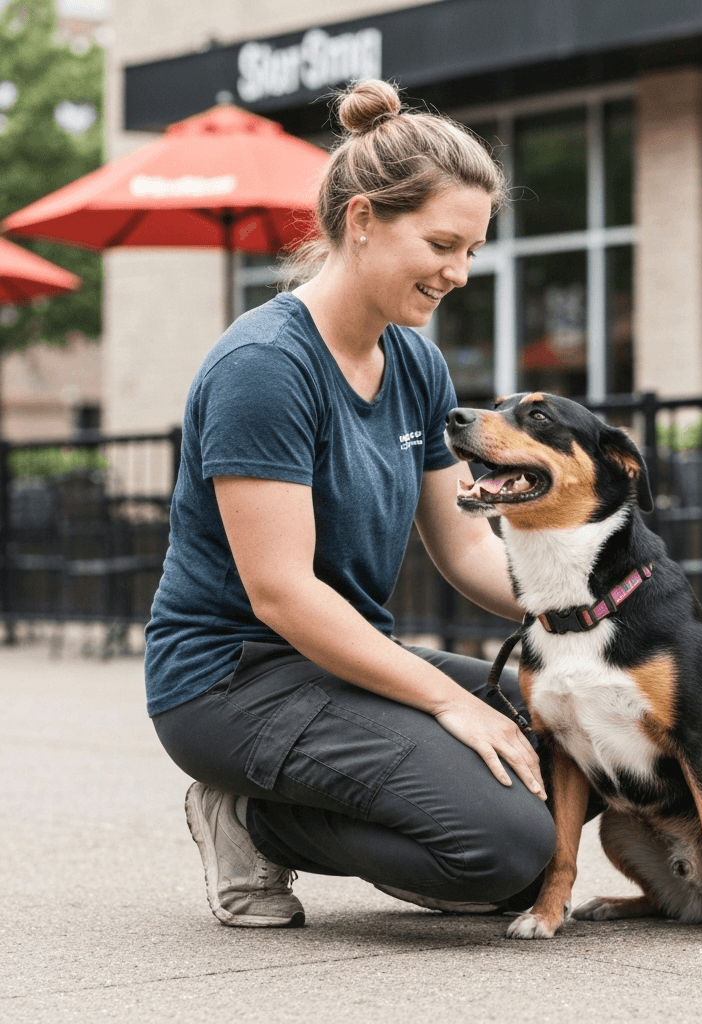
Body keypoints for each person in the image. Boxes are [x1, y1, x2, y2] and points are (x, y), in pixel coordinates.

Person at [145, 79, 555, 928]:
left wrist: (598, 607)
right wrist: (448, 699)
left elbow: (469, 549)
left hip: (343, 660)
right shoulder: (263, 367)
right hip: (232, 682)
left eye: (473, 249)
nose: (461, 273)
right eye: (443, 243)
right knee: (506, 848)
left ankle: (421, 829)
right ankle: (248, 819)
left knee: (567, 734)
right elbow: (281, 593)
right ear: (363, 220)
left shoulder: (415, 364)